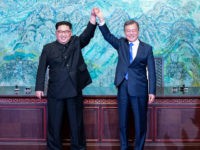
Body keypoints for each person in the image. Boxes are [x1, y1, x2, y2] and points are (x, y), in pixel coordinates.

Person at [35, 9, 97, 150]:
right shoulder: (48, 48)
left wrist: (93, 18)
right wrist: (39, 88)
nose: (63, 34)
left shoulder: (76, 43)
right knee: (54, 124)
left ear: (70, 33)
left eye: (66, 31)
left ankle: (78, 147)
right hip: (55, 92)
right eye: (60, 32)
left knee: (76, 124)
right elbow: (41, 69)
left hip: (74, 90)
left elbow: (87, 35)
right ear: (56, 33)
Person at [94, 8, 156, 150]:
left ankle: (139, 147)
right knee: (123, 122)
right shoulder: (121, 44)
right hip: (123, 88)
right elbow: (107, 35)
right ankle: (124, 147)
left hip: (139, 90)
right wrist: (101, 19)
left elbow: (152, 72)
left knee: (139, 122)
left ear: (138, 31)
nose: (131, 33)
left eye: (133, 30)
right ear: (125, 32)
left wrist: (151, 91)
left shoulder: (147, 48)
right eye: (128, 31)